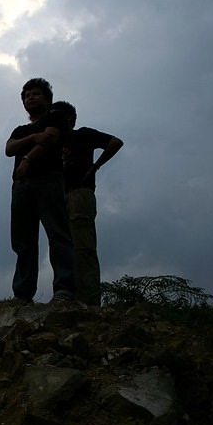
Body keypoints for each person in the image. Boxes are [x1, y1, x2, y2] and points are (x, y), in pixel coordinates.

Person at [5, 78, 75, 304]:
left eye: (35, 94)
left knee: (58, 234)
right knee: (23, 241)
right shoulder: (21, 129)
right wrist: (34, 137)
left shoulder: (56, 118)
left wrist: (26, 158)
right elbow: (8, 148)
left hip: (48, 180)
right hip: (21, 186)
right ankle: (22, 294)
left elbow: (51, 137)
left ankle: (64, 290)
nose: (30, 98)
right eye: (26, 96)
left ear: (47, 99)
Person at [51, 101, 124, 306]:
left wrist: (95, 166)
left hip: (79, 193)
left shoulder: (81, 134)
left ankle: (89, 300)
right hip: (59, 197)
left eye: (59, 116)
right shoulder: (52, 143)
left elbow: (115, 142)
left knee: (83, 247)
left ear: (70, 119)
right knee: (62, 247)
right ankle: (67, 295)